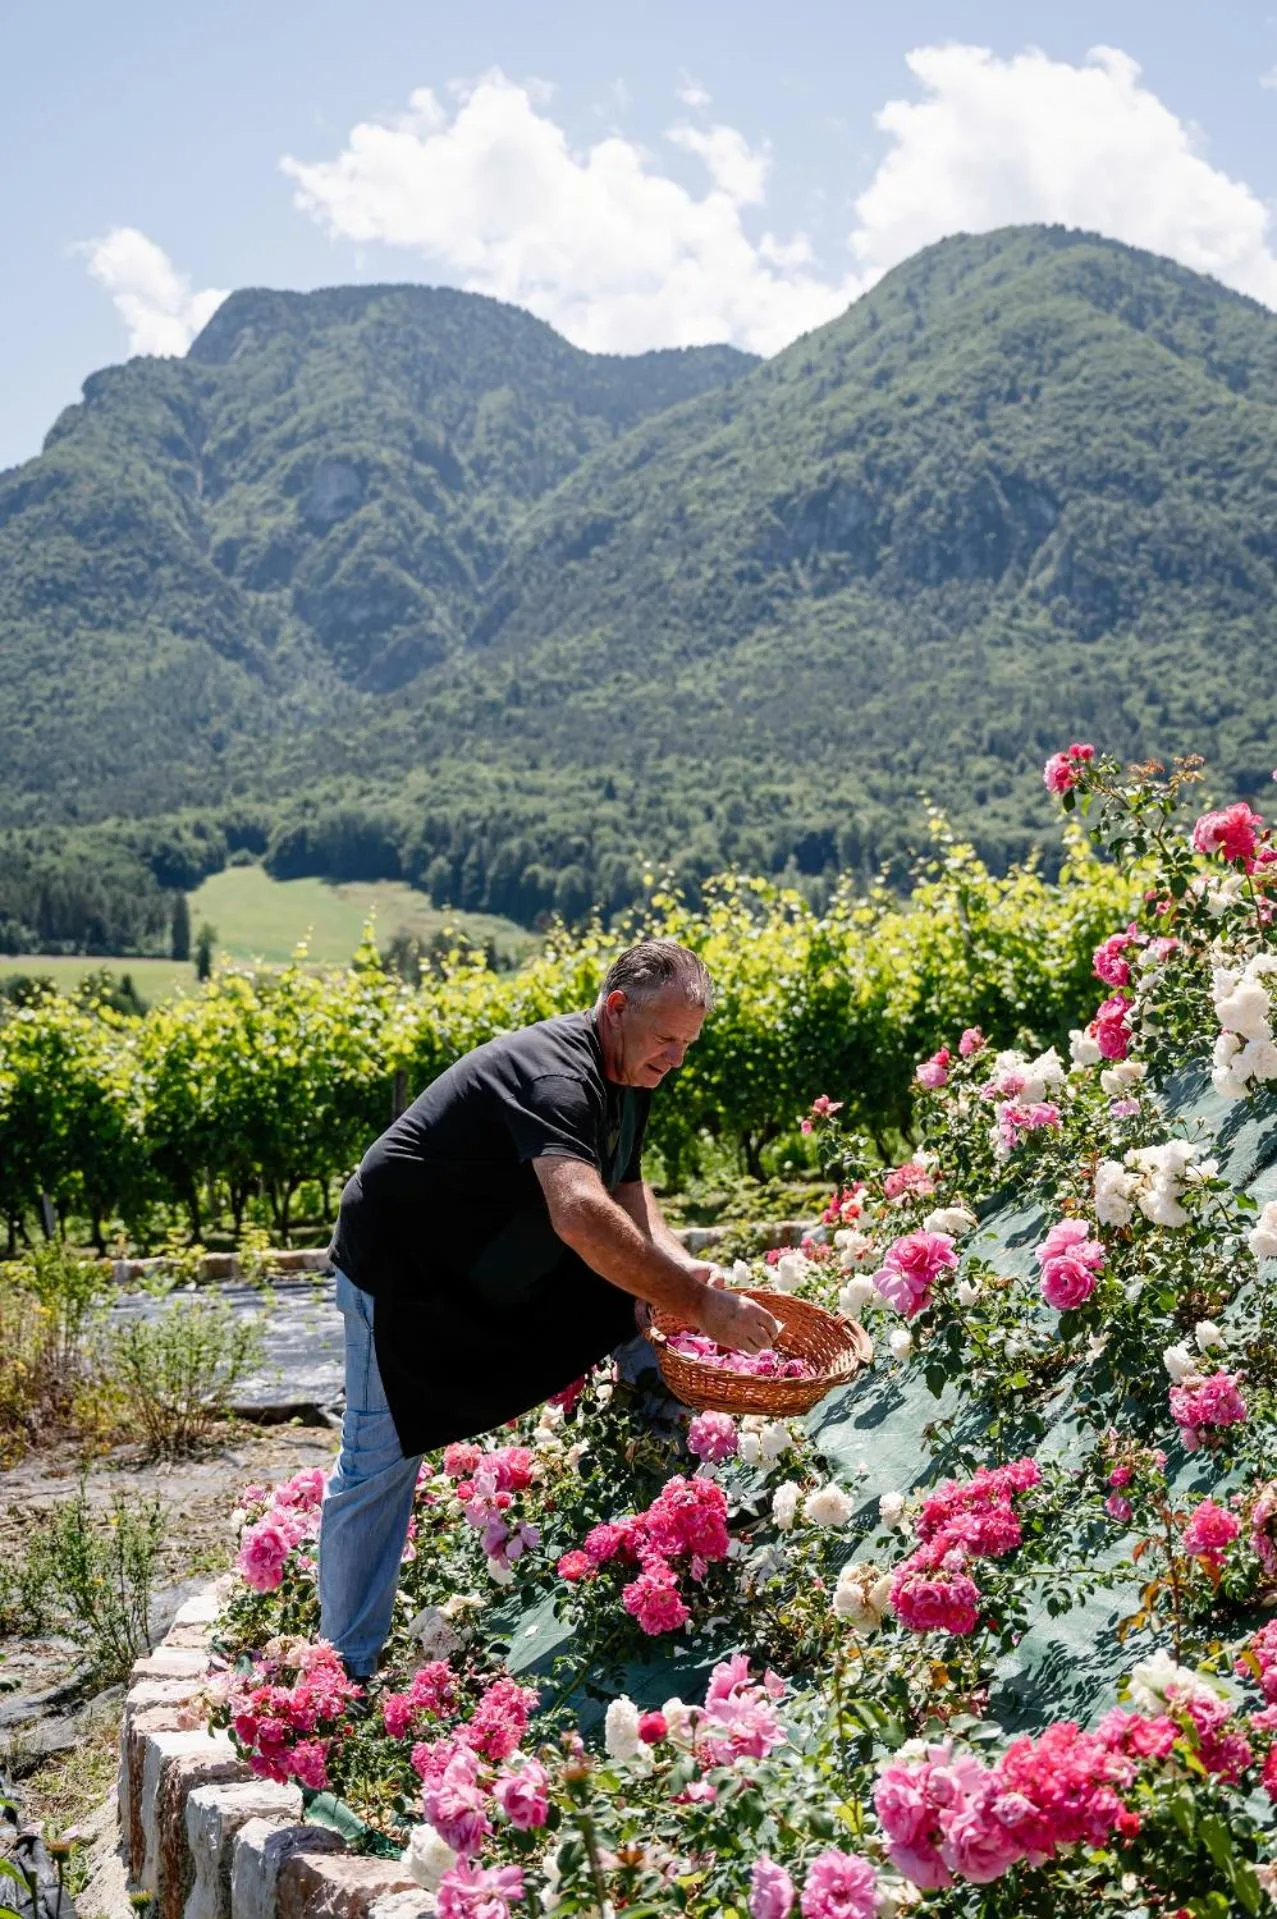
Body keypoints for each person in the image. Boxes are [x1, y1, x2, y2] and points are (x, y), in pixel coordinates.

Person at [317, 937, 779, 1680]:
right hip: (400, 1269)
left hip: (481, 1258)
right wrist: (693, 1300)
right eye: (667, 1039)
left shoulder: (626, 1069)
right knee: (379, 1460)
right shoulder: (557, 1074)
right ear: (617, 1008)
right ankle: (342, 1669)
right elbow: (579, 1213)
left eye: (687, 1043)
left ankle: (667, 1509)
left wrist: (674, 1263)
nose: (676, 1059)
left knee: (632, 1302)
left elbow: (625, 1185)